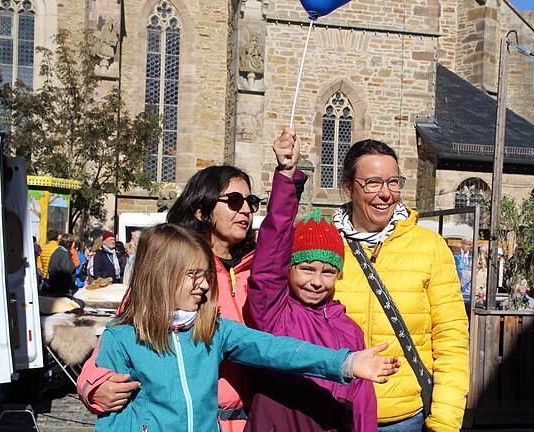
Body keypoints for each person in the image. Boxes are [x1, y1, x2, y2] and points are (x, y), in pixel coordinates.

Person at [94, 223, 400, 432]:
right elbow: (112, 419)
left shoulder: (213, 330)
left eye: (206, 275)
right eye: (194, 275)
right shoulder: (121, 337)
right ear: (161, 276)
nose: (204, 285)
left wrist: (345, 362)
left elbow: (278, 350)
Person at [78, 165, 261, 431]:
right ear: (201, 210)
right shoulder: (171, 273)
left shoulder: (256, 271)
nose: (245, 209)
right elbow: (120, 336)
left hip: (253, 421)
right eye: (234, 201)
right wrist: (94, 386)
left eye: (251, 202)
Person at [245, 127, 379, 431]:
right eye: (306, 268)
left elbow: (362, 403)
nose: (316, 281)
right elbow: (270, 256)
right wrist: (285, 178)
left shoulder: (350, 330)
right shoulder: (275, 315)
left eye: (328, 271)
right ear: (288, 269)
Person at [331, 139, 469, 431]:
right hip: (332, 413)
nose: (385, 194)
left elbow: (451, 338)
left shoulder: (429, 247)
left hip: (401, 420)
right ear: (347, 187)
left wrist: (445, 420)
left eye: (393, 182)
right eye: (372, 183)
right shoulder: (325, 243)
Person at [454, 237, 474, 303]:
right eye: (466, 244)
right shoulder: (456, 253)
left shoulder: (473, 254)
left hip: (468, 283)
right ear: (462, 244)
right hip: (457, 279)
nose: (467, 246)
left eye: (469, 244)